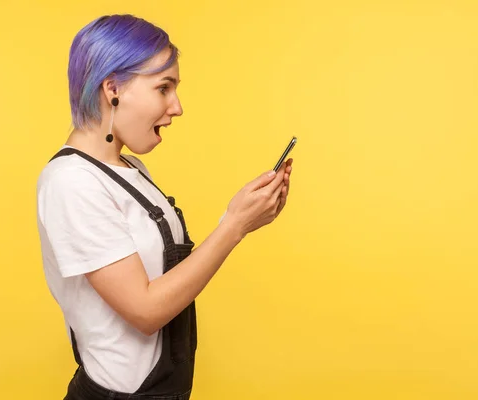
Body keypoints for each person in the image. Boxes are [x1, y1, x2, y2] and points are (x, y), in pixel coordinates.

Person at [36, 14, 293, 400]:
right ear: (113, 89)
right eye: (163, 87)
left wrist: (245, 216)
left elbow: (165, 280)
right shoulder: (72, 182)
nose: (177, 107)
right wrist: (233, 227)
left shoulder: (127, 168)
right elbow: (145, 310)